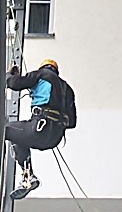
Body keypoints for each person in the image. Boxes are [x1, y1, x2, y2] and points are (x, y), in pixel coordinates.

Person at [5, 59, 76, 200]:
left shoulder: (42, 74)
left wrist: (9, 75)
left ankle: (29, 176)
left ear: (44, 67)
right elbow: (72, 123)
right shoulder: (67, 89)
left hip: (39, 128)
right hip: (55, 138)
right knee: (19, 137)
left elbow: (14, 84)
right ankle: (27, 178)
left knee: (6, 130)